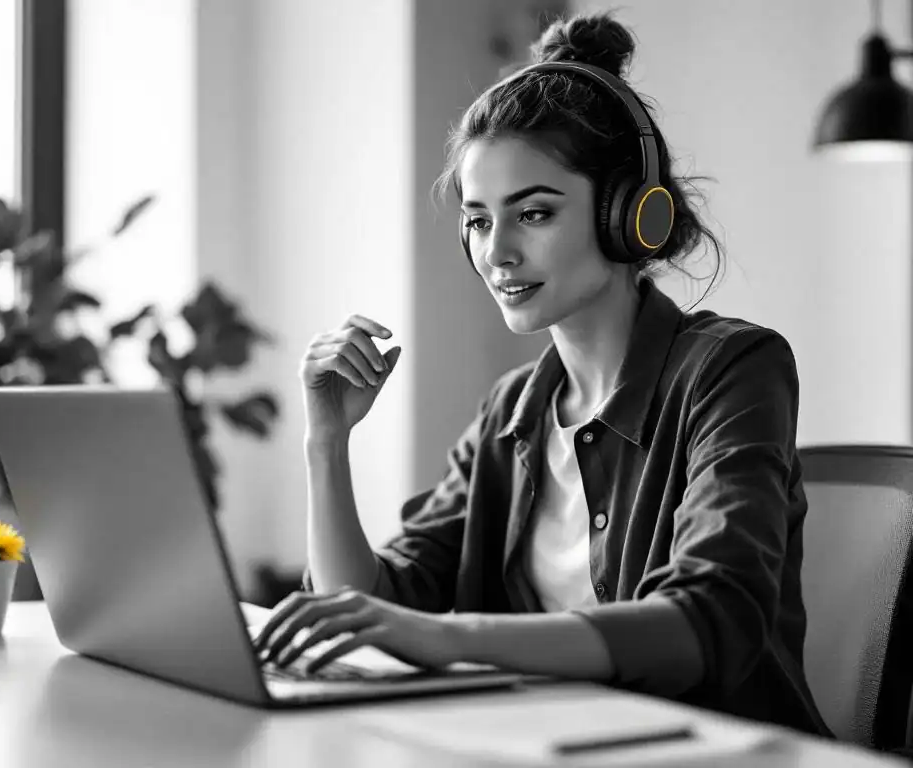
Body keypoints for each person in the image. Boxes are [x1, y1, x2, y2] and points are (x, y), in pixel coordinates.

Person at [253, 11, 832, 738]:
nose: (497, 254)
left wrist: (447, 637)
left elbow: (709, 619)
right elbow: (368, 606)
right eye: (479, 221)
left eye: (533, 213)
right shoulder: (513, 413)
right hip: (544, 746)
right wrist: (325, 442)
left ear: (630, 215)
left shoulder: (732, 370)